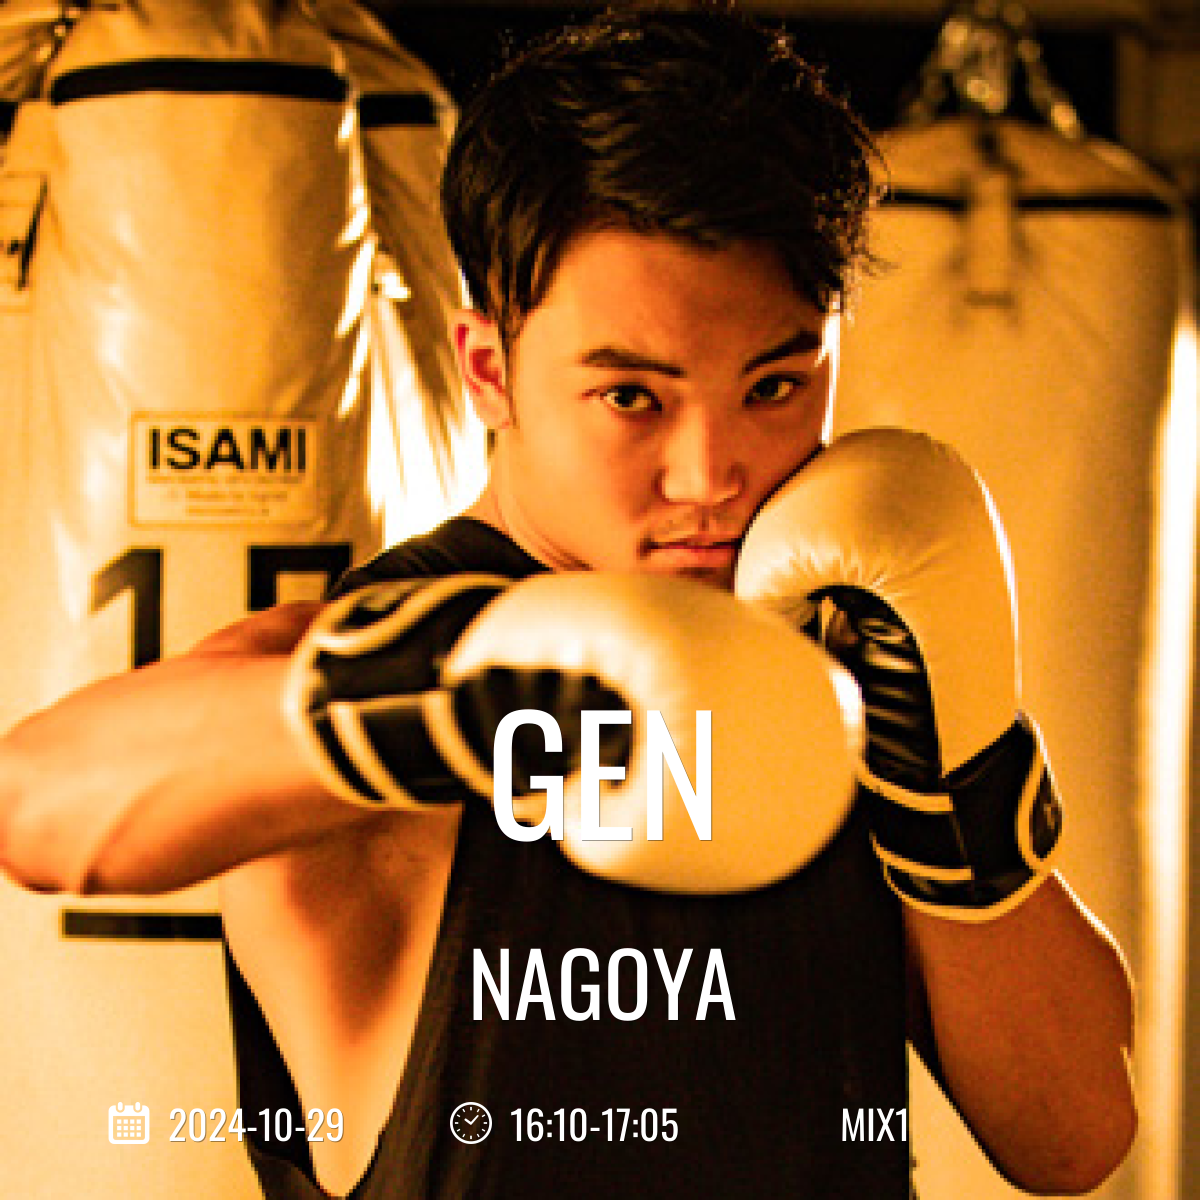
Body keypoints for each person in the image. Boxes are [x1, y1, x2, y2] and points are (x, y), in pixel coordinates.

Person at [0, 6, 1135, 1199]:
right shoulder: (394, 653)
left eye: (774, 386)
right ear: (489, 370)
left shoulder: (847, 654)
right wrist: (450, 699)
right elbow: (35, 804)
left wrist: (954, 793)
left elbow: (1075, 1136)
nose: (712, 478)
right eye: (633, 398)